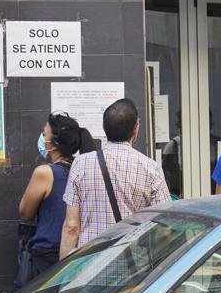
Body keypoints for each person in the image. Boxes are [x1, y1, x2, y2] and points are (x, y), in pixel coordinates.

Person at [61, 99, 170, 256]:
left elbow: (71, 227)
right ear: (136, 129)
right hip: (131, 265)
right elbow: (162, 226)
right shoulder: (151, 168)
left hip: (88, 262)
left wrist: (62, 275)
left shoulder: (81, 163)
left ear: (105, 128)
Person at [18, 113, 95, 285]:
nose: (42, 137)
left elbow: (25, 213)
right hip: (79, 251)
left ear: (53, 145)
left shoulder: (45, 173)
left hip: (48, 253)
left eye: (44, 134)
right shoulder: (84, 169)